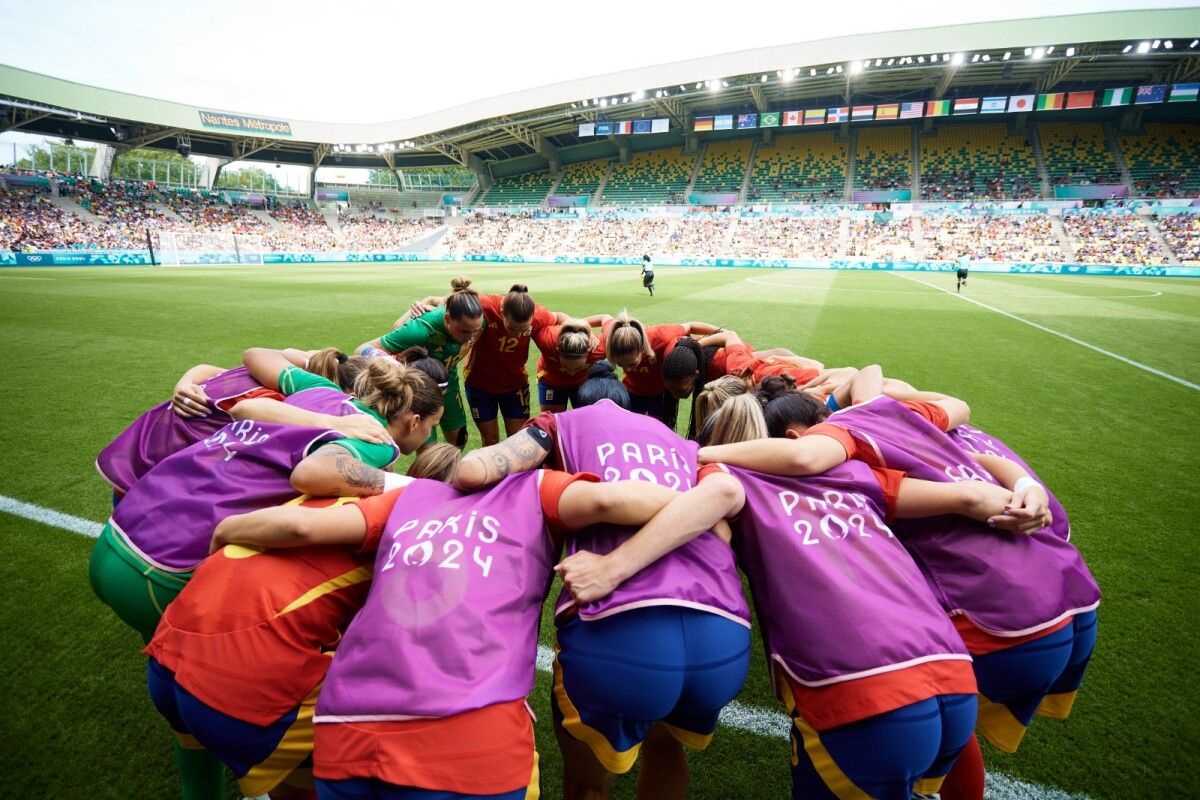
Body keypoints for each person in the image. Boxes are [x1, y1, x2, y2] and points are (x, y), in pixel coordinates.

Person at [554, 393, 1039, 800]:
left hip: (860, 692)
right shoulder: (860, 473)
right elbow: (973, 495)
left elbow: (714, 508)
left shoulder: (728, 477)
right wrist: (1025, 485)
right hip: (953, 677)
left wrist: (613, 564)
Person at [207, 461, 701, 800]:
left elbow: (300, 529)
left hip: (345, 730)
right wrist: (696, 508)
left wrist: (229, 528)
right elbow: (617, 499)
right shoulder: (535, 488)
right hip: (469, 735)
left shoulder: (409, 496)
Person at [697, 381, 1101, 779]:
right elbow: (966, 458)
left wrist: (695, 453)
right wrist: (1028, 488)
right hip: (1017, 618)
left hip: (882, 676)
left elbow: (803, 460)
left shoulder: (824, 456)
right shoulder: (878, 432)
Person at [455, 361, 751, 800]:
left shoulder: (557, 423)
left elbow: (474, 471)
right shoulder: (685, 446)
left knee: (588, 785)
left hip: (621, 632)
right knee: (667, 749)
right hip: (723, 635)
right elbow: (725, 522)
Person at [142, 445, 460, 800]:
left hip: (167, 652)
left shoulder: (337, 493)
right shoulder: (415, 523)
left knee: (201, 777)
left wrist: (224, 532)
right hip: (237, 686)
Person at [96, 349, 391, 501]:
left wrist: (185, 381)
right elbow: (248, 412)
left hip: (138, 448)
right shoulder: (277, 401)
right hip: (156, 469)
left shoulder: (266, 377)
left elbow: (210, 369)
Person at [357, 276, 484, 448]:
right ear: (447, 319)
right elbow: (363, 349)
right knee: (426, 449)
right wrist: (396, 367)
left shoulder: (475, 316)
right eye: (464, 331)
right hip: (419, 391)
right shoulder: (422, 330)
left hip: (449, 383)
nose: (470, 338)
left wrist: (430, 299)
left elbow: (449, 299)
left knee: (459, 439)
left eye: (475, 331)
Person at [461, 283, 565, 446]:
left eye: (523, 330)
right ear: (502, 313)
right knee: (490, 441)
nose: (517, 335)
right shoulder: (486, 305)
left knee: (518, 441)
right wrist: (428, 301)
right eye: (511, 328)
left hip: (514, 386)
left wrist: (582, 328)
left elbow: (559, 317)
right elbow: (452, 305)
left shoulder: (538, 315)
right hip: (479, 384)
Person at [604, 312, 720, 426]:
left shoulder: (661, 336)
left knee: (658, 428)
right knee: (628, 426)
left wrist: (722, 333)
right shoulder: (613, 338)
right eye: (620, 365)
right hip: (631, 391)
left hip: (659, 393)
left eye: (632, 364)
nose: (627, 370)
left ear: (642, 348)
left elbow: (690, 326)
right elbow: (603, 318)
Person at [532, 315, 611, 412]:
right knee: (553, 421)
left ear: (588, 353)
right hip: (551, 380)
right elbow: (535, 318)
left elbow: (605, 317)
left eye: (578, 368)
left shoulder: (600, 348)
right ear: (557, 351)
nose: (571, 373)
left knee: (586, 420)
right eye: (566, 367)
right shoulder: (547, 340)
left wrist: (585, 327)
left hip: (583, 382)